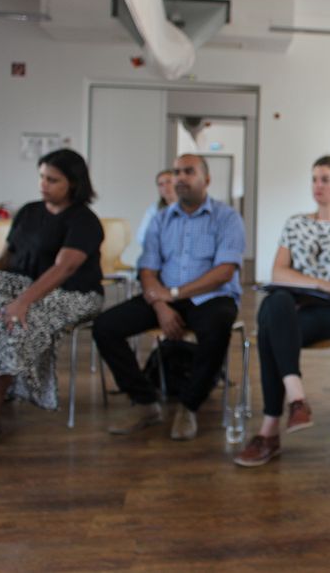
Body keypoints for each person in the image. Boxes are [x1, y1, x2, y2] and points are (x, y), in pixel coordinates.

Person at [0, 149, 104, 449]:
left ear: (73, 184)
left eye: (52, 180)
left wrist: (23, 301)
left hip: (73, 294)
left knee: (8, 322)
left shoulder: (84, 221)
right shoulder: (29, 212)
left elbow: (64, 268)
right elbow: (5, 258)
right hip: (22, 288)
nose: (43, 184)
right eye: (41, 177)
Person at [92, 153, 245, 442]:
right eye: (176, 172)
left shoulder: (227, 218)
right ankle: (146, 402)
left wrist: (175, 293)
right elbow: (147, 269)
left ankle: (189, 406)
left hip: (210, 297)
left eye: (189, 172)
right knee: (105, 327)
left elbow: (225, 271)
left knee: (217, 328)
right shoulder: (160, 220)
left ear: (207, 180)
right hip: (164, 296)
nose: (180, 178)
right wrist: (161, 305)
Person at [234, 155, 330, 467]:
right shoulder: (296, 223)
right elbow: (278, 273)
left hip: (323, 315)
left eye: (325, 179)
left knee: (270, 321)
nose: (317, 186)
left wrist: (329, 289)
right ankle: (295, 399)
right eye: (314, 179)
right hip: (291, 304)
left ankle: (270, 431)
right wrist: (325, 284)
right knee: (276, 303)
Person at [135, 169, 176, 246]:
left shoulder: (191, 207)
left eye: (169, 182)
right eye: (161, 184)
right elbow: (142, 236)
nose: (165, 187)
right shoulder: (153, 210)